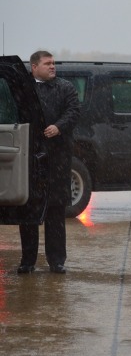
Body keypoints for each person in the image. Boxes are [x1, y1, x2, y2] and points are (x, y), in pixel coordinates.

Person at [17, 50, 81, 274]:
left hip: (58, 158)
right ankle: (27, 260)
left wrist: (59, 126)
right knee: (28, 211)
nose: (52, 66)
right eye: (47, 63)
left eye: (53, 63)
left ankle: (56, 261)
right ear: (34, 67)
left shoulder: (65, 88)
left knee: (55, 211)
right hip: (29, 159)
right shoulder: (24, 89)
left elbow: (74, 111)